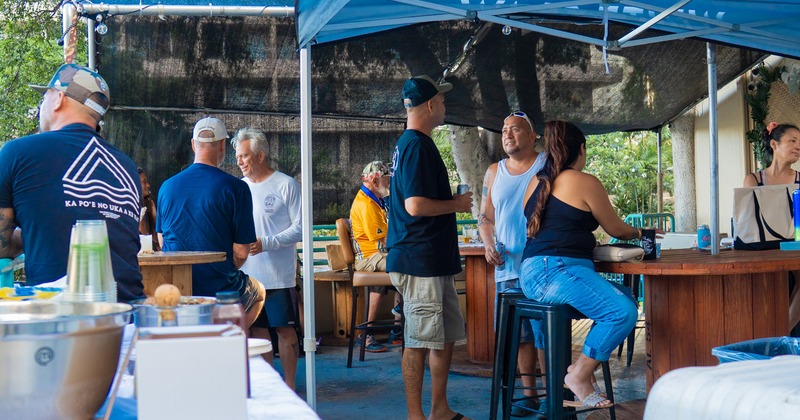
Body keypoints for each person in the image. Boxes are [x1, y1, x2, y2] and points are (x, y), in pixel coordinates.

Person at [519, 120, 646, 408]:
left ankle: (585, 372)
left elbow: (550, 227)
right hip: (557, 270)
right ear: (582, 149)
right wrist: (640, 233)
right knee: (622, 311)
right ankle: (578, 374)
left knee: (623, 297)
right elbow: (616, 228)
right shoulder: (583, 181)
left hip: (533, 272)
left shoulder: (536, 182)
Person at [0, 63, 144, 302]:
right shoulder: (126, 165)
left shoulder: (19, 152)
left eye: (43, 98)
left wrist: (32, 233)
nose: (41, 107)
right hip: (129, 313)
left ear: (58, 98)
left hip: (62, 318)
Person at [387, 75, 473, 420]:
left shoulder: (413, 144)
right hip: (419, 259)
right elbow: (415, 205)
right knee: (420, 339)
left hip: (432, 259)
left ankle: (439, 409)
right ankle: (416, 415)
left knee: (443, 335)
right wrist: (455, 203)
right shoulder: (417, 146)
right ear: (431, 105)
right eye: (442, 100)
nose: (445, 106)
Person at [156, 117, 265, 327]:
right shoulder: (236, 188)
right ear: (223, 145)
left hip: (176, 288)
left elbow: (162, 241)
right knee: (258, 291)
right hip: (220, 286)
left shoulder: (166, 187)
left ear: (193, 144)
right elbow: (242, 252)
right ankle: (231, 338)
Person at [478, 111, 547, 417]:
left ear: (532, 136)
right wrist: (488, 243)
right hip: (507, 266)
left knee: (545, 331)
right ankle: (530, 395)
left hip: (542, 264)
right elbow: (485, 217)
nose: (507, 134)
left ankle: (553, 392)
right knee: (521, 336)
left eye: (516, 129)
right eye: (504, 130)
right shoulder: (494, 171)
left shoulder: (548, 164)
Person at [232, 127, 302, 390]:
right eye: (237, 156)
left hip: (278, 276)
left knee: (284, 330)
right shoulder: (238, 187)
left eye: (244, 156)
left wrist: (267, 243)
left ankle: (291, 387)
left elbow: (300, 227)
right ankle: (270, 386)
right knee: (258, 332)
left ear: (260, 156)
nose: (239, 161)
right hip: (247, 276)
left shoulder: (285, 184)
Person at [742, 121, 800, 332]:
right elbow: (746, 221)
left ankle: (780, 334)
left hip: (793, 246)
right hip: (760, 247)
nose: (798, 147)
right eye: (792, 141)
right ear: (774, 145)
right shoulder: (753, 180)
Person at [350, 160, 403, 353]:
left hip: (377, 255)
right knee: (407, 264)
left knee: (405, 263)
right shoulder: (366, 204)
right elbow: (385, 239)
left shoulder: (375, 199)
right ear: (375, 180)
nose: (388, 183)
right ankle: (395, 319)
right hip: (369, 257)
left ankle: (397, 327)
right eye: (386, 179)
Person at [138, 167, 161, 252]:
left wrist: (155, 217)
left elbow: (158, 245)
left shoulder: (149, 207)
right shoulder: (132, 214)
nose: (148, 185)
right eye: (144, 182)